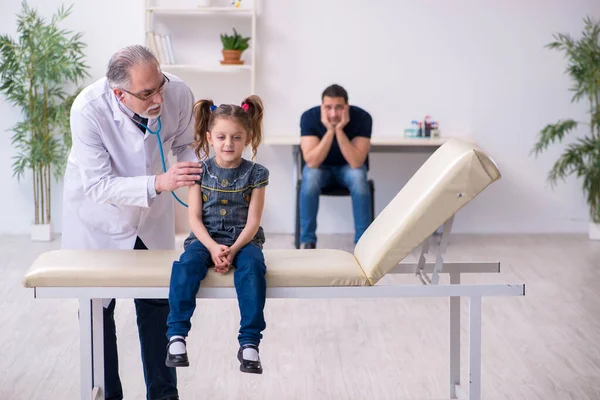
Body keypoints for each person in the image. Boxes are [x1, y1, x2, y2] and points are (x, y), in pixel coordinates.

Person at [62, 45, 203, 400]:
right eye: (146, 94)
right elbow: (97, 184)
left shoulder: (179, 93)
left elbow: (185, 143)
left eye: (160, 85)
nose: (158, 98)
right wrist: (159, 182)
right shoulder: (88, 109)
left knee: (158, 303)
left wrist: (197, 172)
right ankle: (108, 395)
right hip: (99, 218)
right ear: (118, 94)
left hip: (150, 214)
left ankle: (163, 395)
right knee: (97, 309)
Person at [164, 95, 269, 375]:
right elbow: (194, 219)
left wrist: (233, 250)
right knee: (186, 267)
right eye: (221, 137)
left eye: (236, 137)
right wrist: (211, 248)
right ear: (210, 137)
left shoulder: (257, 174)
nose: (228, 144)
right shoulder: (199, 171)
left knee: (253, 268)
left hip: (243, 240)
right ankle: (176, 336)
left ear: (247, 138)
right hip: (204, 239)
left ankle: (249, 342)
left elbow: (253, 221)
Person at [299, 84, 373, 249]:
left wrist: (338, 130)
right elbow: (312, 161)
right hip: (321, 170)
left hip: (348, 169)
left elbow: (356, 162)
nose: (333, 113)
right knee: (310, 175)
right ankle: (307, 241)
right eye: (328, 107)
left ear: (346, 106)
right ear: (322, 107)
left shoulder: (362, 117)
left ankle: (362, 243)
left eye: (338, 107)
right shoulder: (309, 117)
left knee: (358, 176)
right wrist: (329, 131)